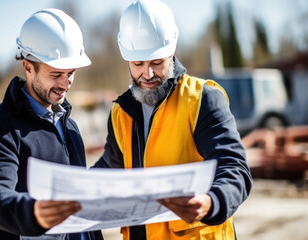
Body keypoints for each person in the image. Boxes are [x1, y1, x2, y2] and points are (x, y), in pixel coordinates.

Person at [92, 0, 253, 239]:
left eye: (157, 62)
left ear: (172, 51)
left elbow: (234, 168)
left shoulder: (202, 99)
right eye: (138, 64)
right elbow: (111, 168)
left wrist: (212, 202)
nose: (147, 74)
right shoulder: (121, 111)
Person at [0, 9, 103, 240]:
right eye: (56, 74)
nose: (66, 83)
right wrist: (34, 213)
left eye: (71, 73)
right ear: (28, 66)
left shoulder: (70, 128)